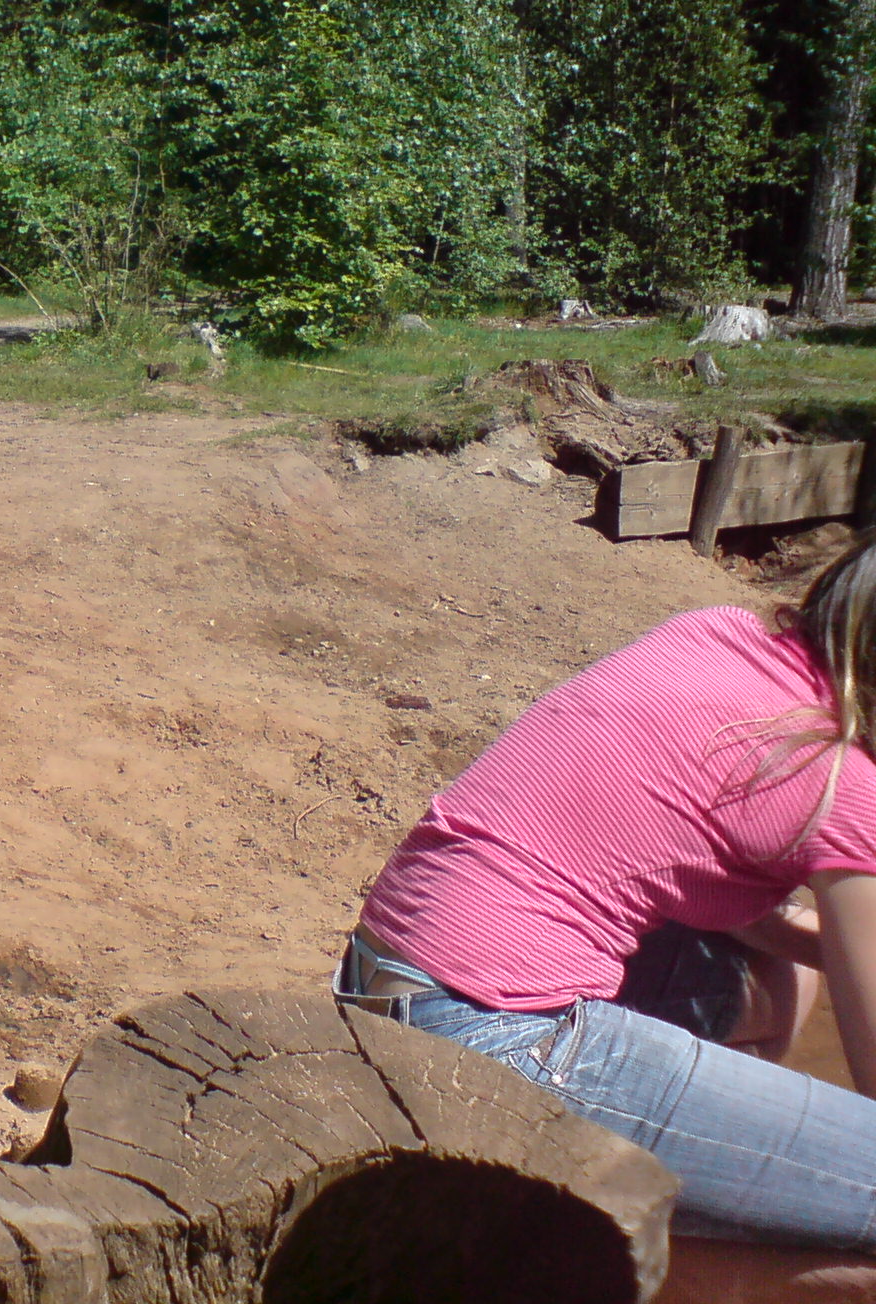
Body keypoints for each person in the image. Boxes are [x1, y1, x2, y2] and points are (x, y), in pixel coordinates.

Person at [340, 529, 876, 1251]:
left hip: (384, 978)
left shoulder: (717, 633)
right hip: (496, 1033)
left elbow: (742, 912)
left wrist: (830, 953)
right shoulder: (837, 778)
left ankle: (688, 1193)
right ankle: (638, 1250)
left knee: (772, 978)